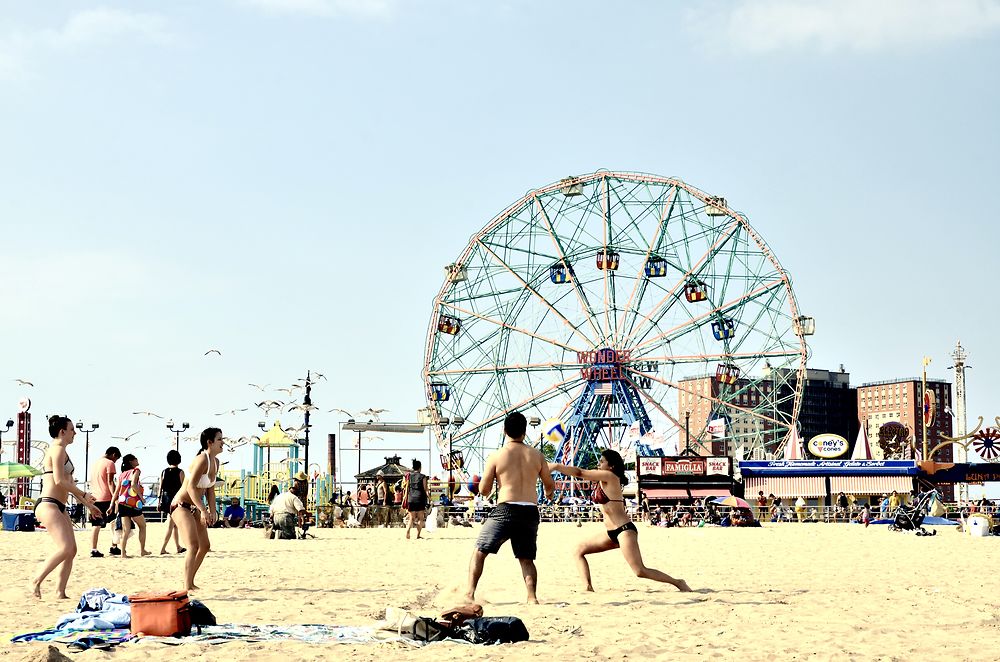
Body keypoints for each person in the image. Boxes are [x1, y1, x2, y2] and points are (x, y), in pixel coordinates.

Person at [549, 449, 691, 592]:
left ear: (611, 466)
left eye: (602, 461)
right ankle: (587, 587)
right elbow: (583, 474)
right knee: (578, 550)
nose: (598, 463)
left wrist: (556, 466)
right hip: (611, 533)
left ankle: (678, 582)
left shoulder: (610, 476)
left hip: (624, 530)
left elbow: (580, 473)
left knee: (640, 571)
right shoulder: (602, 479)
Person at [464, 412, 556, 604]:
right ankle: (532, 597)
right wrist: (548, 494)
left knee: (480, 551)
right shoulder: (537, 455)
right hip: (530, 511)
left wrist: (487, 486)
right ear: (525, 431)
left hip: (506, 509)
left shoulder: (497, 455)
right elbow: (549, 484)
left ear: (505, 430)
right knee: (526, 558)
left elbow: (484, 489)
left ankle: (469, 593)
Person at [30, 416, 101, 598]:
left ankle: (60, 591)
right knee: (65, 548)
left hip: (59, 505)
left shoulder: (62, 451)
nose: (75, 432)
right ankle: (36, 580)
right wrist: (84, 494)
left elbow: (67, 482)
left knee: (72, 550)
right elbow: (59, 480)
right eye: (72, 429)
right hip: (48, 504)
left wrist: (87, 505)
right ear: (62, 431)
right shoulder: (57, 449)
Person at [170, 427, 223, 591]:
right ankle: (186, 586)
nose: (223, 443)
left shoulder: (215, 462)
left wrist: (212, 511)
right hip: (180, 505)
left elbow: (210, 489)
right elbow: (192, 487)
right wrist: (204, 510)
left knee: (205, 546)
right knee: (193, 545)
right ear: (210, 442)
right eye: (220, 439)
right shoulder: (202, 459)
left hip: (194, 507)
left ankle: (190, 581)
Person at [109, 454, 150, 558]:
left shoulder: (122, 475)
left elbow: (117, 491)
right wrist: (141, 497)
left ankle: (123, 553)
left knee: (126, 530)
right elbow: (133, 485)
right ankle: (142, 550)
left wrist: (111, 505)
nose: (137, 460)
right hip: (133, 503)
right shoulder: (136, 470)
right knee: (143, 526)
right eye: (135, 459)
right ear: (131, 461)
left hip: (122, 503)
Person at [88, 446, 121, 558]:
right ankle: (114, 547)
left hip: (94, 497)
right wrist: (115, 498)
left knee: (96, 525)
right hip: (106, 497)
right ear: (113, 454)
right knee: (114, 523)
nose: (115, 461)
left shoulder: (96, 463)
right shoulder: (110, 463)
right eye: (116, 459)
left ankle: (94, 549)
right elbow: (110, 482)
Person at [157, 450, 186, 554]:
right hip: (175, 501)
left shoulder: (164, 472)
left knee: (174, 525)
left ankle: (178, 547)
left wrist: (159, 501)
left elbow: (160, 487)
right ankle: (162, 548)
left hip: (165, 500)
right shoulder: (180, 472)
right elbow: (183, 488)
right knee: (171, 525)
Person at [404, 459, 430, 539]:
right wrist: (430, 498)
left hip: (411, 498)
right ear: (419, 467)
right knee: (420, 518)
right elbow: (426, 489)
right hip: (420, 498)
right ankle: (418, 535)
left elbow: (407, 488)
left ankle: (408, 531)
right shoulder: (423, 476)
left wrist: (405, 498)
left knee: (411, 518)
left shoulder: (409, 476)